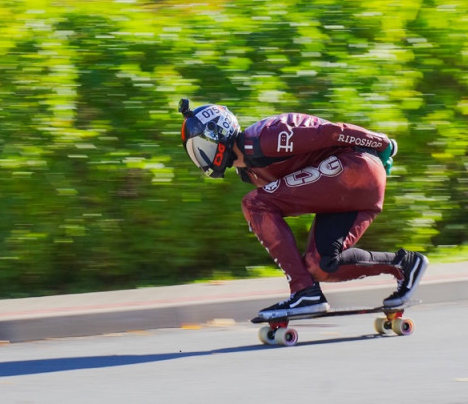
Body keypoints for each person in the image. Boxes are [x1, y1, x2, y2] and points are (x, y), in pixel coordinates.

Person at [177, 98, 428, 319]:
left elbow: (332, 132)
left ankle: (304, 292)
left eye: (200, 148)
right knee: (320, 265)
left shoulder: (265, 139)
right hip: (345, 186)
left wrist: (382, 143)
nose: (201, 158)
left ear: (219, 135)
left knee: (255, 203)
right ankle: (405, 264)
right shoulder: (250, 170)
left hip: (356, 168)